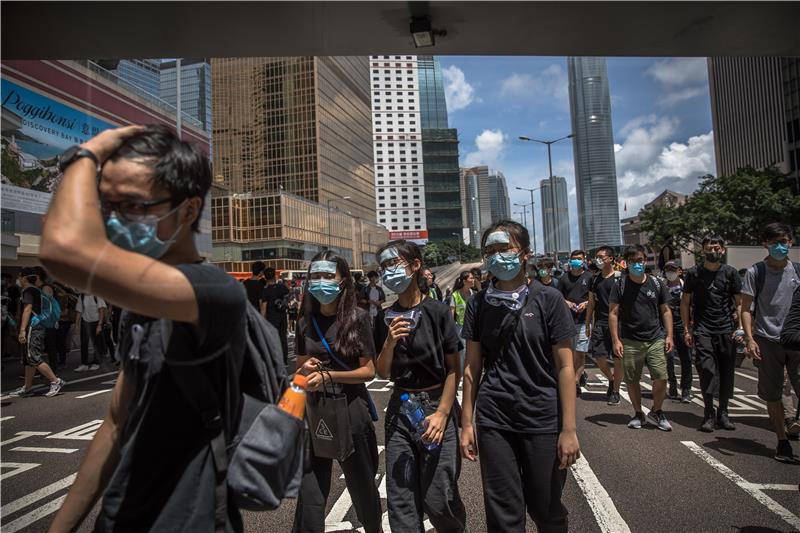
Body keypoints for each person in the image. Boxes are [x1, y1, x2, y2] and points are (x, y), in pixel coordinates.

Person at [44, 125, 248, 531]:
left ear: (188, 210)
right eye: (109, 204)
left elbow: (62, 249)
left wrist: (86, 153)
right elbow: (118, 422)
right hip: (122, 517)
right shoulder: (141, 303)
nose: (116, 219)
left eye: (134, 206)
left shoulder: (212, 292)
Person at [460, 221, 580, 532]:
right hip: (495, 419)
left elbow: (565, 366)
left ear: (524, 253)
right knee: (503, 515)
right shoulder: (478, 303)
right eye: (490, 251)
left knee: (546, 508)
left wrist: (568, 429)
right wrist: (467, 423)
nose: (497, 257)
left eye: (505, 249)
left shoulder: (549, 299)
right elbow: (472, 366)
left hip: (542, 418)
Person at [375, 240, 466, 532]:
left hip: (436, 405)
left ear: (416, 266)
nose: (389, 271)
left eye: (394, 263)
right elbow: (381, 370)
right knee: (401, 499)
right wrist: (389, 342)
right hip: (401, 408)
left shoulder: (438, 312)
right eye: (384, 266)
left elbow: (455, 369)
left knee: (439, 497)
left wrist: (442, 413)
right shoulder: (384, 316)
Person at [292, 252, 382, 533]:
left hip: (351, 408)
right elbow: (299, 368)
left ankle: (373, 529)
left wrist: (329, 375)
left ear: (343, 279)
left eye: (328, 275)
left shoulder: (358, 318)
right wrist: (306, 369)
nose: (321, 282)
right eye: (316, 276)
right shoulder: (305, 320)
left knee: (362, 484)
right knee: (310, 491)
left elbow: (369, 371)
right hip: (315, 408)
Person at [741, 223, 800, 462]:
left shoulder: (797, 271)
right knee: (773, 395)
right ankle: (782, 441)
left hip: (796, 341)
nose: (780, 246)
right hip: (767, 341)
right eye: (774, 242)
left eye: (784, 241)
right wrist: (749, 338)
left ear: (791, 242)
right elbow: (746, 309)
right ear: (765, 244)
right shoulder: (756, 272)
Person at [681, 235, 743, 432]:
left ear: (722, 250)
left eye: (716, 248)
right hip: (702, 329)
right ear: (703, 250)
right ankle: (708, 412)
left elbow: (740, 303)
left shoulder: (731, 273)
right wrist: (687, 329)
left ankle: (723, 412)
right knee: (706, 370)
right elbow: (685, 302)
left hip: (726, 329)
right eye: (709, 248)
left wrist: (740, 327)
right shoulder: (693, 273)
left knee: (726, 372)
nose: (713, 251)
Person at [609, 245, 674, 431]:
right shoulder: (620, 285)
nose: (636, 264)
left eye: (639, 260)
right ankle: (638, 413)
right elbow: (613, 313)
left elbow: (666, 310)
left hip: (656, 337)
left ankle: (657, 410)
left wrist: (669, 335)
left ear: (645, 261)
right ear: (626, 263)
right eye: (632, 261)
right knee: (632, 379)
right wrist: (616, 340)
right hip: (630, 339)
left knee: (661, 377)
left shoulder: (656, 283)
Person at [8, 268, 66, 398]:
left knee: (33, 356)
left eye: (19, 276)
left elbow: (27, 309)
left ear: (25, 278)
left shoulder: (28, 291)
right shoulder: (36, 290)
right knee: (29, 360)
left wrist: (22, 330)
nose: (18, 279)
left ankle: (56, 381)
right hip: (38, 326)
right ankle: (27, 388)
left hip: (33, 328)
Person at [585, 246, 623, 405]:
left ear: (611, 259)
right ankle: (612, 379)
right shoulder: (594, 279)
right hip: (600, 322)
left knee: (618, 358)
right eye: (597, 257)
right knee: (599, 357)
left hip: (620, 323)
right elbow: (591, 302)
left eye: (602, 257)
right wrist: (587, 322)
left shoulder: (621, 278)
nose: (598, 260)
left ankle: (615, 391)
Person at [557, 249, 593, 396]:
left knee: (580, 352)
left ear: (584, 260)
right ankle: (573, 378)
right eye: (574, 258)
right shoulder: (564, 278)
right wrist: (568, 303)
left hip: (584, 321)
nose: (576, 261)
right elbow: (558, 297)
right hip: (568, 322)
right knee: (570, 353)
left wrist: (586, 303)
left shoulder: (589, 277)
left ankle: (576, 381)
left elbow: (594, 298)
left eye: (579, 258)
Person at [662, 261, 693, 403]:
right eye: (667, 269)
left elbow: (692, 306)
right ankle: (672, 383)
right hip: (666, 328)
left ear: (679, 271)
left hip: (683, 327)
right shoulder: (661, 286)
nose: (670, 272)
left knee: (686, 359)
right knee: (667, 359)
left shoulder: (686, 286)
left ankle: (686, 389)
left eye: (673, 269)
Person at [261, 266, 290, 366]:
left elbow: (264, 308)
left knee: (273, 339)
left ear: (265, 277)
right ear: (274, 276)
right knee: (283, 339)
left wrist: (262, 320)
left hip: (271, 319)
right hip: (282, 317)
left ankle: (275, 360)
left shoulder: (265, 290)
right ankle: (284, 360)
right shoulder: (281, 287)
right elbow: (289, 293)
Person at [75, 292, 107, 371]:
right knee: (84, 343)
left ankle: (96, 363)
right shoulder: (81, 296)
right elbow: (79, 311)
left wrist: (99, 325)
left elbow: (101, 310)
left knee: (96, 343)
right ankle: (84, 364)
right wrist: (76, 325)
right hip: (85, 321)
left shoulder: (97, 295)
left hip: (96, 322)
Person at [449, 270, 474, 370]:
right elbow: (451, 313)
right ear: (464, 281)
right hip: (460, 327)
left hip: (472, 326)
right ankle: (462, 372)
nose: (473, 280)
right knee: (463, 350)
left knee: (472, 349)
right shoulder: (455, 295)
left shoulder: (474, 294)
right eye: (471, 278)